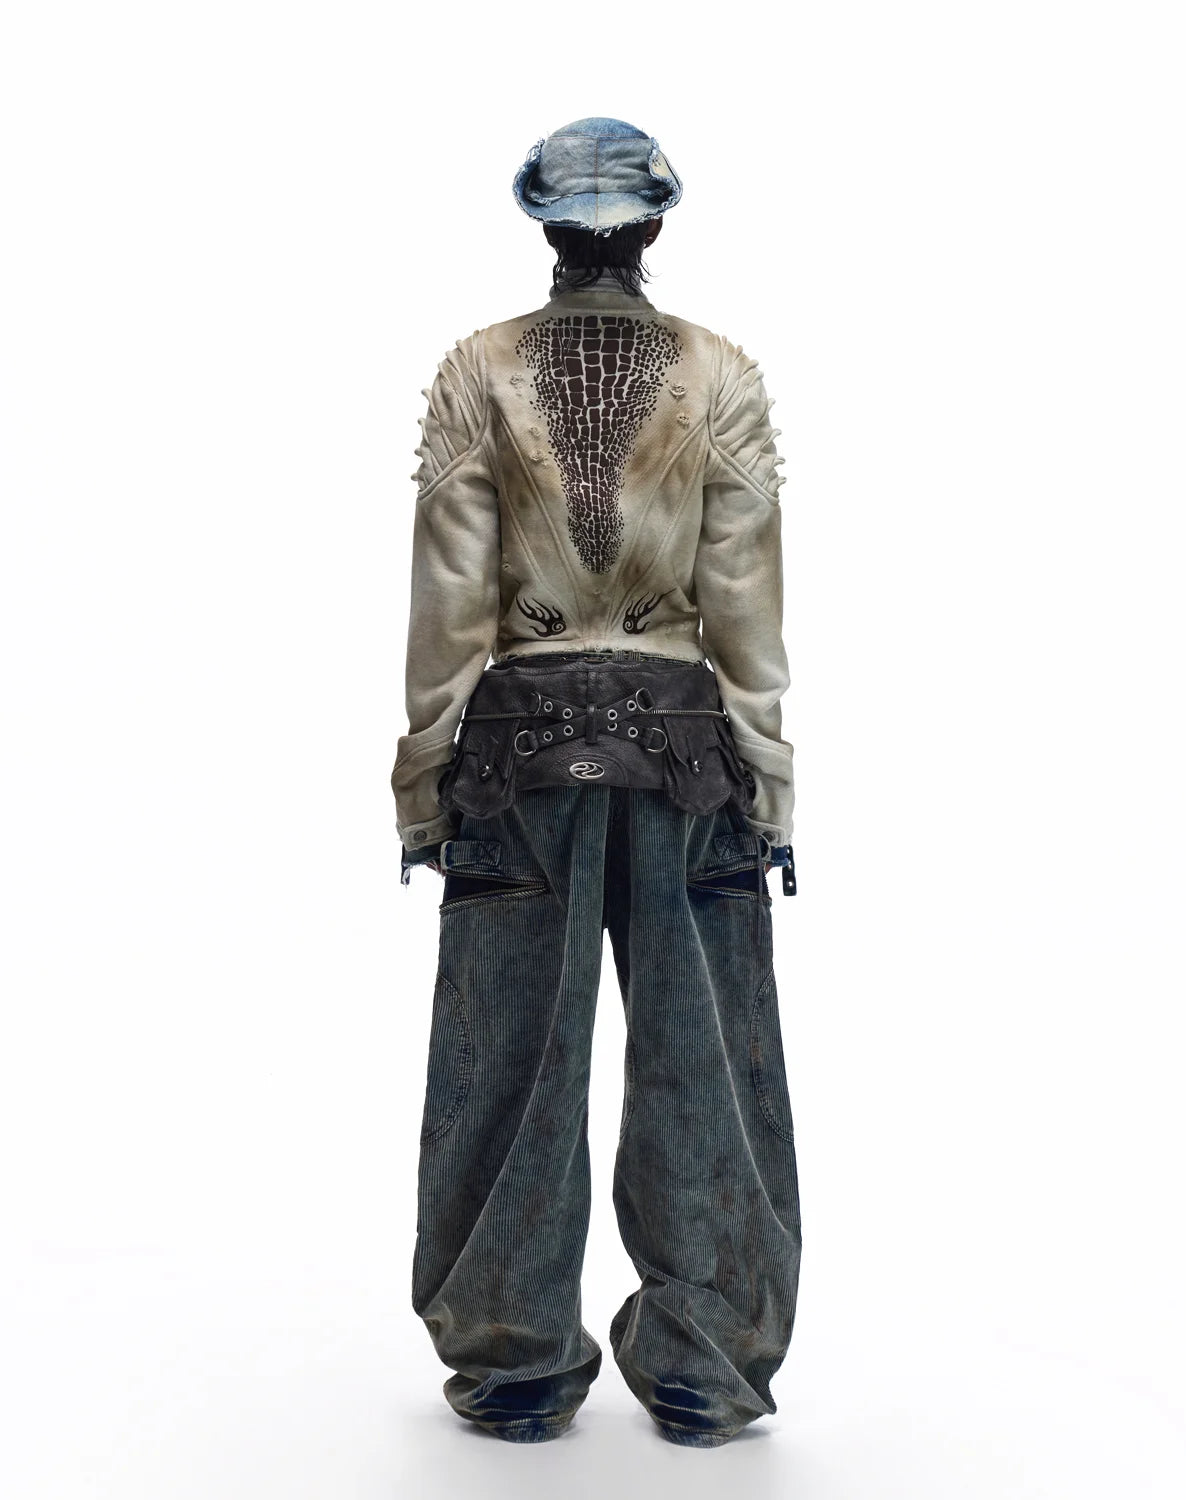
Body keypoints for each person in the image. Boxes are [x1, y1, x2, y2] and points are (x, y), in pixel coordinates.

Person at [391, 116, 802, 1447]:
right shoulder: (720, 373)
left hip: (513, 756)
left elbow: (451, 605)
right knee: (706, 1070)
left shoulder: (478, 369)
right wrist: (770, 781)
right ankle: (707, 1368)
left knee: (507, 1065)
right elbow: (745, 606)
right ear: (658, 225)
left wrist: (423, 780)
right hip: (688, 753)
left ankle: (513, 1364)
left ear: (546, 228)